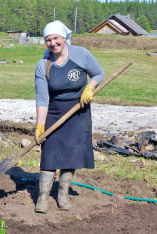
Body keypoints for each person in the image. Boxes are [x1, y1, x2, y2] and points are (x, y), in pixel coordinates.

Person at [34, 20, 104, 213]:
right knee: (50, 155)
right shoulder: (43, 65)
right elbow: (42, 98)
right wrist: (40, 126)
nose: (52, 43)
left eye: (55, 38)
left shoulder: (81, 54)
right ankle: (42, 197)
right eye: (48, 40)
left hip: (78, 111)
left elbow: (98, 73)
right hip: (55, 112)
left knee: (71, 154)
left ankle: (63, 195)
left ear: (64, 38)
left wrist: (89, 87)